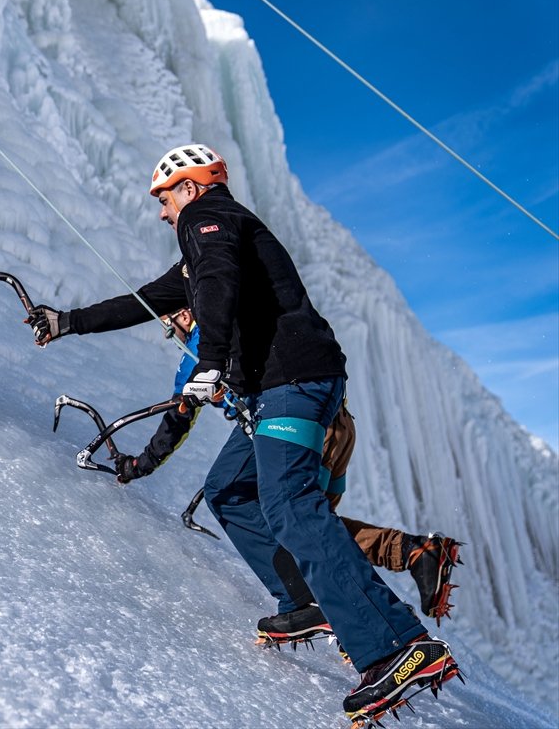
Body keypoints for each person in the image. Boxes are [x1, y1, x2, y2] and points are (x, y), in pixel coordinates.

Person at [26, 144, 460, 724]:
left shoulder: (212, 221)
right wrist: (67, 323)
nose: (161, 212)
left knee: (290, 504)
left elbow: (219, 282)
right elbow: (146, 301)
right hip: (276, 389)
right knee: (229, 488)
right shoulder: (212, 239)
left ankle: (399, 646)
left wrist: (211, 358)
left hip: (293, 379)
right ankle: (302, 599)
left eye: (164, 196)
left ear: (192, 186)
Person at [121, 307, 461, 649]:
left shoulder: (201, 345)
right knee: (313, 531)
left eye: (169, 325)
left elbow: (178, 420)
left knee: (302, 532)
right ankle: (413, 556)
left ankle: (365, 613)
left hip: (299, 427)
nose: (172, 333)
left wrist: (140, 465)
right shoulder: (239, 328)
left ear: (183, 314)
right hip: (335, 425)